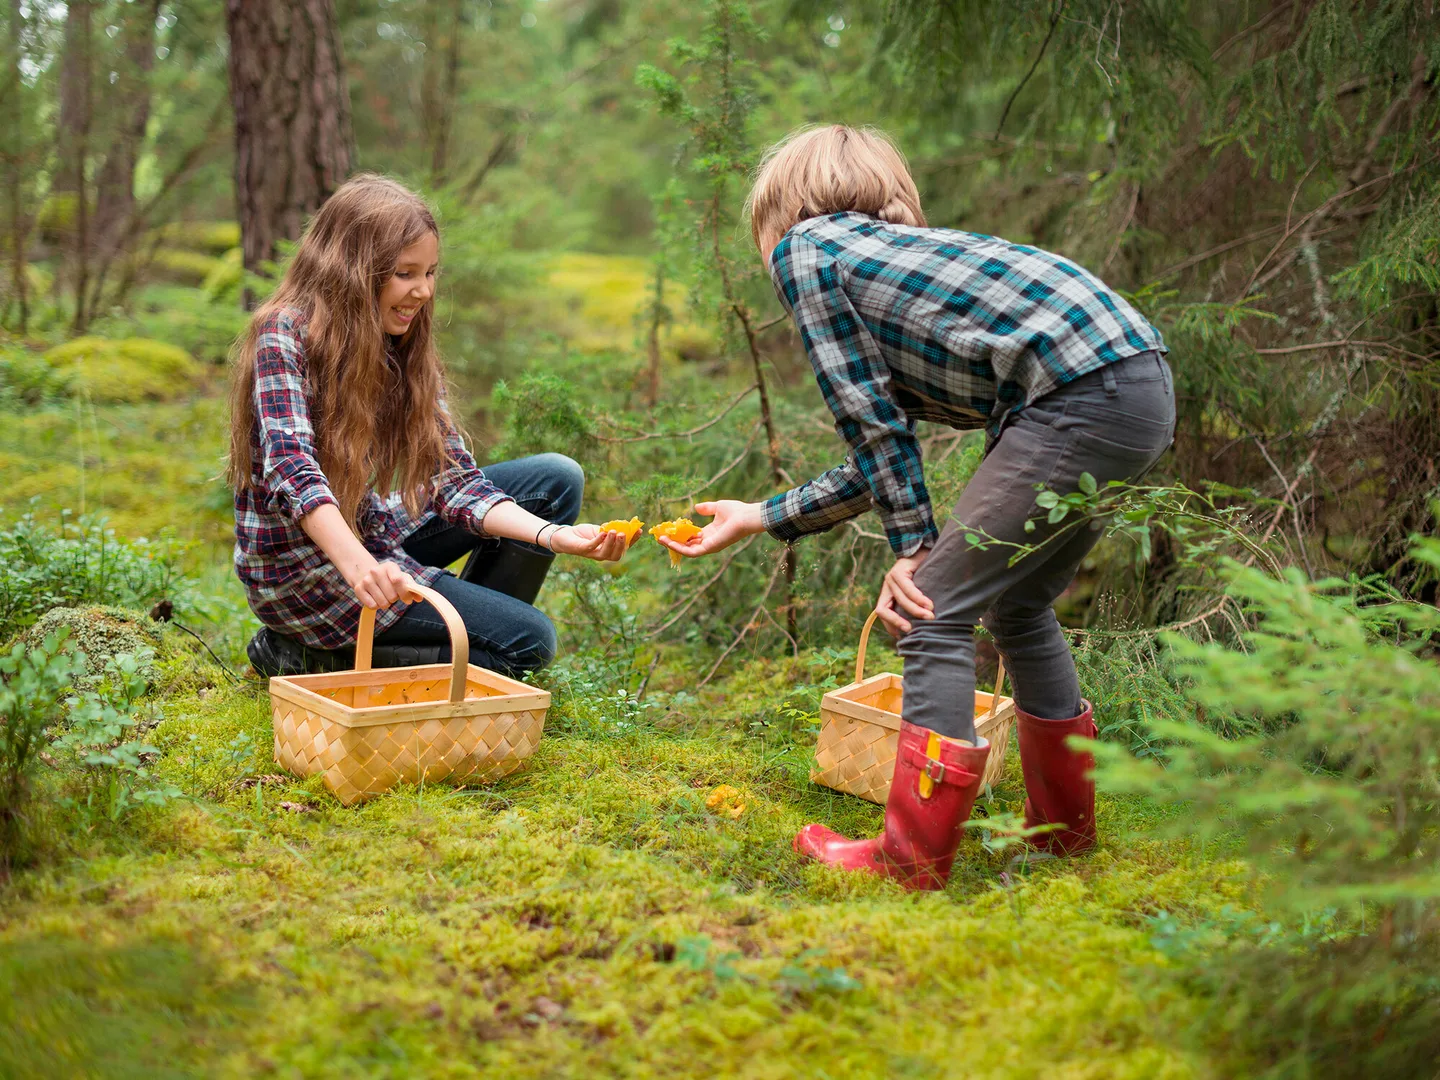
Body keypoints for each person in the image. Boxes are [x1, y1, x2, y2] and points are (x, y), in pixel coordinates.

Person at [657, 126, 1176, 890]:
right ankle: (1063, 834)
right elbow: (881, 448)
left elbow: (870, 421)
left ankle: (910, 860)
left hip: (1080, 395)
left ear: (779, 216)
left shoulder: (809, 250)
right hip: (1137, 387)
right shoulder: (903, 270)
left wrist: (912, 551)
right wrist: (763, 515)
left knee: (929, 608)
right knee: (1022, 603)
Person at [228, 174, 630, 679]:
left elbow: (454, 482)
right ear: (352, 270)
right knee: (530, 642)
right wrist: (361, 569)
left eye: (430, 272)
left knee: (555, 479)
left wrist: (555, 537)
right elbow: (293, 470)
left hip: (369, 534)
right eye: (404, 273)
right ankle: (309, 657)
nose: (422, 291)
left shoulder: (399, 343)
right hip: (304, 574)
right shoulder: (283, 334)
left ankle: (464, 639)